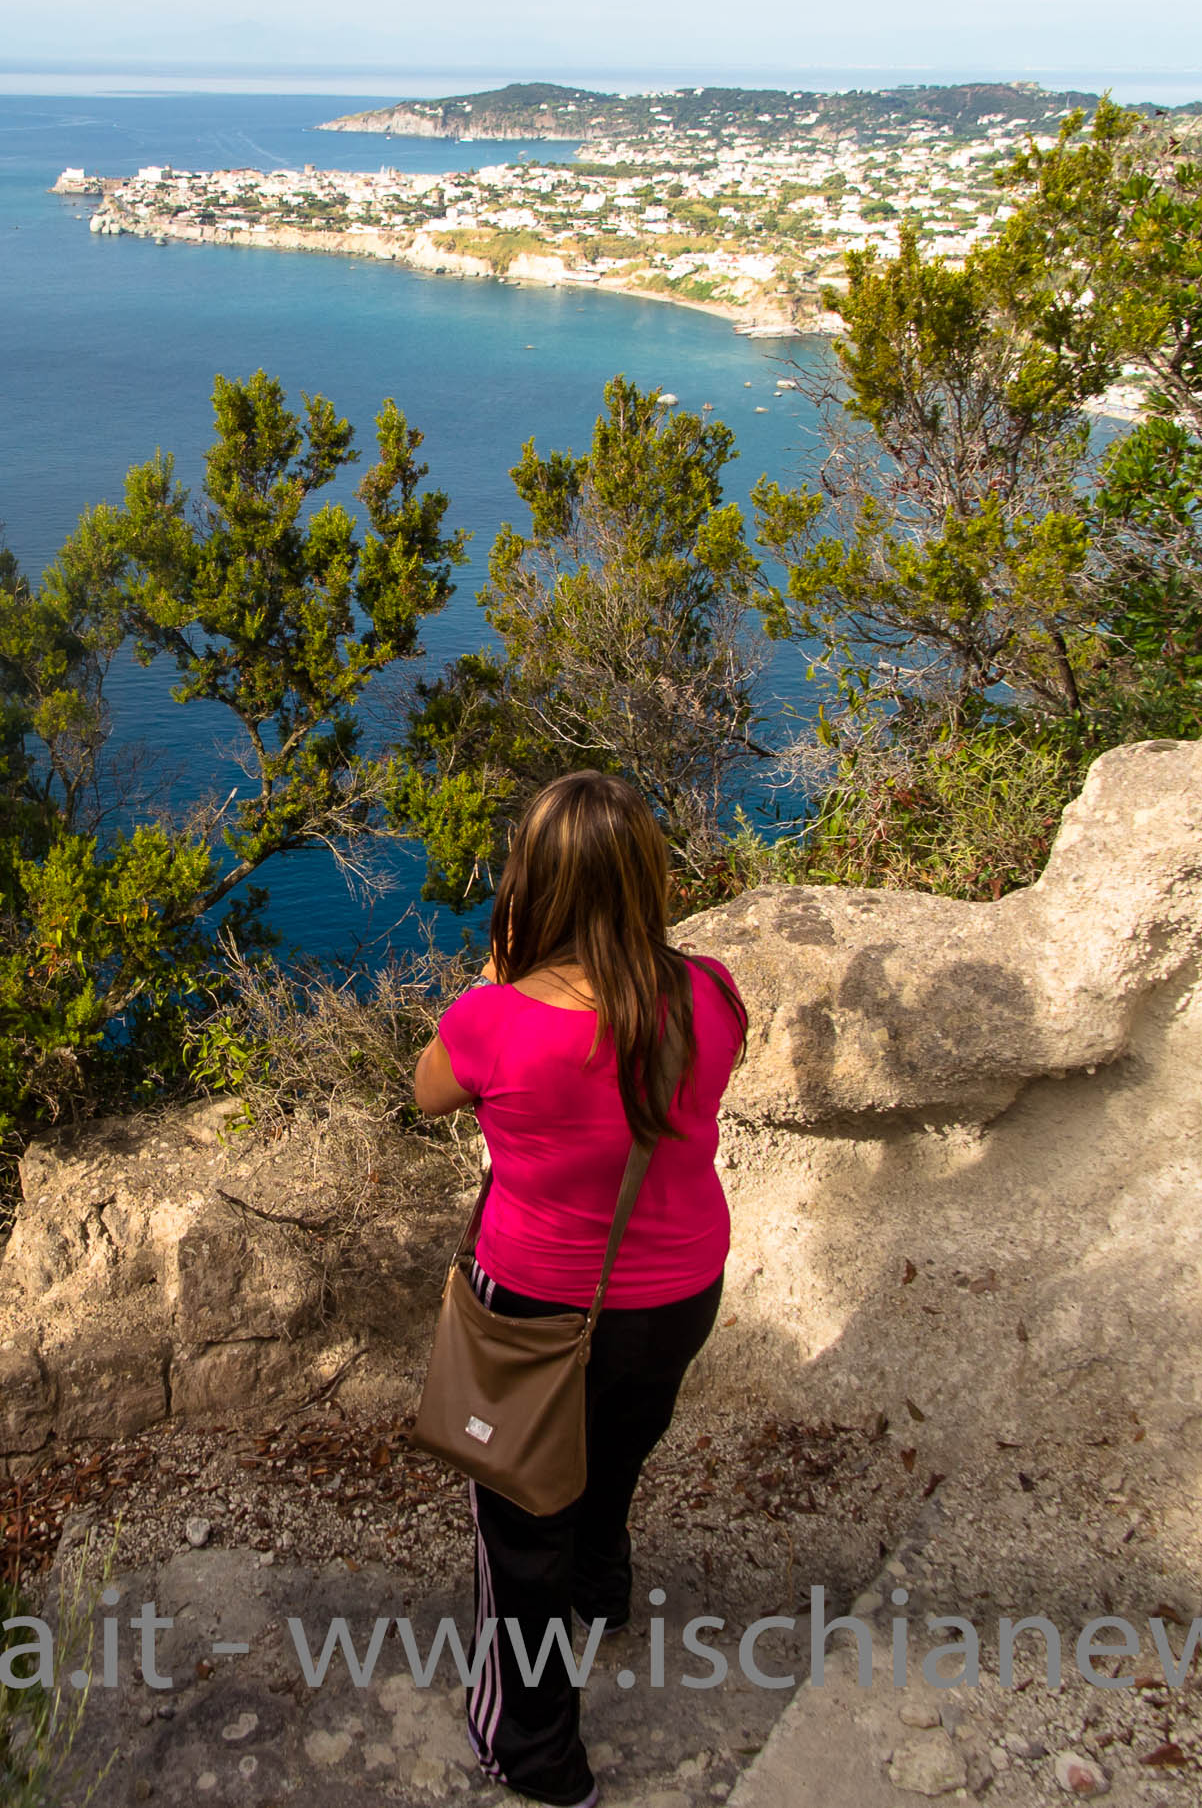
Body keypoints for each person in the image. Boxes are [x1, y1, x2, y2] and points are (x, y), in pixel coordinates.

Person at [412, 771, 748, 1808]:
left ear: (533, 885)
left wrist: (501, 972)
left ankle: (537, 1755)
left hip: (537, 1310)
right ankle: (603, 1593)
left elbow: (426, 1093)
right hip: (682, 1288)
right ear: (649, 876)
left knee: (519, 1528)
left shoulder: (491, 1019)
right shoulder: (712, 993)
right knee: (612, 1453)